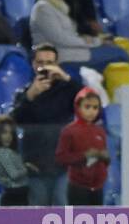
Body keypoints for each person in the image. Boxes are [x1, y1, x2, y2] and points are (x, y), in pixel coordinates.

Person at [10, 43, 82, 206]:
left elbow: (90, 103)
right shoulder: (24, 93)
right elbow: (14, 121)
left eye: (50, 63)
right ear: (33, 64)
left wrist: (66, 78)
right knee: (37, 210)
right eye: (40, 62)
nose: (45, 67)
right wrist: (30, 96)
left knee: (62, 207)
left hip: (64, 164)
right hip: (35, 165)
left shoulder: (67, 90)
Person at [29, 0, 129, 73]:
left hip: (72, 52)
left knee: (117, 48)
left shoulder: (57, 7)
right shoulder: (43, 9)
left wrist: (90, 39)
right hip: (62, 57)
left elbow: (68, 36)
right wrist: (96, 41)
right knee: (120, 54)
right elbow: (61, 39)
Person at [55, 86, 109, 205]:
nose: (91, 111)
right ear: (78, 107)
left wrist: (104, 156)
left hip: (98, 187)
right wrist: (84, 155)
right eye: (87, 107)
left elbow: (106, 160)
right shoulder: (69, 131)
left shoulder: (100, 131)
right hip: (78, 186)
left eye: (95, 108)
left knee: (97, 221)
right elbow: (61, 157)